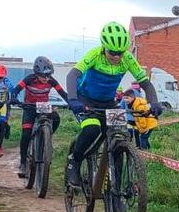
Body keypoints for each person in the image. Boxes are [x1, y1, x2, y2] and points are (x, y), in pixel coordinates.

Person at [65, 21, 162, 202]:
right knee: (92, 128)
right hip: (86, 100)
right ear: (104, 48)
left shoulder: (127, 58)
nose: (116, 57)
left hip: (108, 102)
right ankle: (75, 160)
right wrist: (73, 99)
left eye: (120, 53)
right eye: (112, 52)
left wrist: (154, 102)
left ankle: (115, 191)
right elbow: (73, 75)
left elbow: (145, 83)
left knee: (120, 138)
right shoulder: (94, 55)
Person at [10, 56, 68, 178]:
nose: (46, 79)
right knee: (26, 134)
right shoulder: (29, 79)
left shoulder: (52, 80)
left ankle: (46, 136)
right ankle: (23, 163)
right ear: (36, 74)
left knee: (56, 118)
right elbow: (16, 90)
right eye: (43, 76)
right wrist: (14, 98)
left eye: (48, 75)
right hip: (29, 107)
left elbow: (62, 93)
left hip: (43, 107)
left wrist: (72, 102)